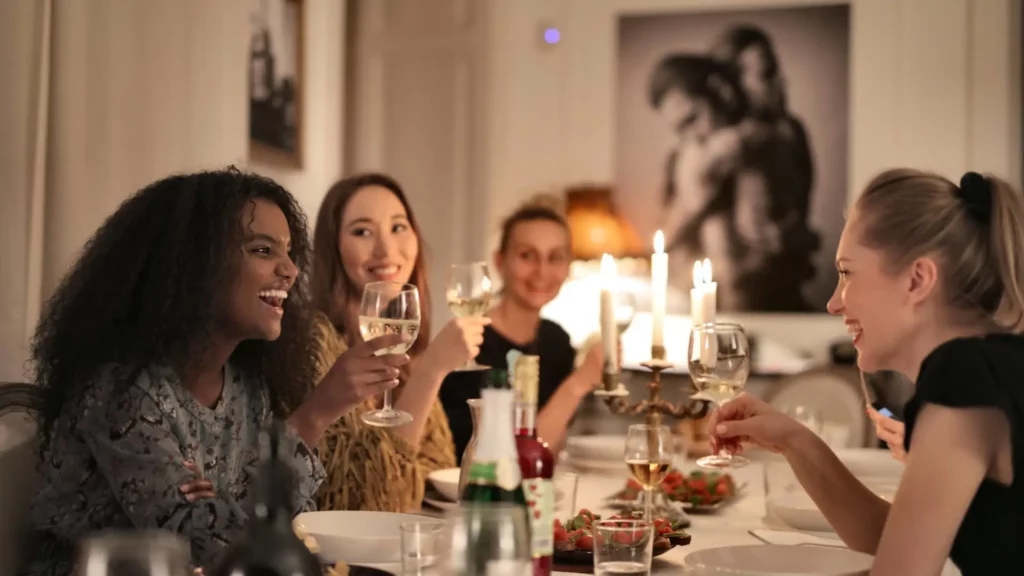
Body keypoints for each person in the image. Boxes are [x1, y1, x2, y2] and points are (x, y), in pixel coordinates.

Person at [20, 169, 409, 576]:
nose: (291, 271)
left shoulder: (245, 384)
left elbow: (272, 521)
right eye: (263, 250)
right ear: (193, 264)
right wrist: (317, 413)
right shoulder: (120, 391)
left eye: (289, 252)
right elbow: (205, 545)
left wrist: (221, 502)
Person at [710, 169, 1024, 574]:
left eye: (846, 273)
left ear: (917, 280)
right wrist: (795, 441)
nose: (833, 303)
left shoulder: (963, 376)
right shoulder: (993, 366)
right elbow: (898, 540)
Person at [306, 173, 487, 512]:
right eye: (362, 231)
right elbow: (373, 500)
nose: (386, 249)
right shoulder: (314, 343)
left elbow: (436, 468)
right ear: (333, 248)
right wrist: (432, 370)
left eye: (398, 227)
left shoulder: (403, 343)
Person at [440, 197, 605, 457]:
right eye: (527, 255)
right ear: (499, 262)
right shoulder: (469, 346)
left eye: (555, 257)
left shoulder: (557, 341)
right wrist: (578, 384)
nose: (541, 271)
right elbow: (505, 460)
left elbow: (552, 444)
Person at [649, 54, 814, 311]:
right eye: (679, 128)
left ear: (719, 91)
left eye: (693, 118)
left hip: (768, 306)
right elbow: (662, 238)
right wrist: (694, 192)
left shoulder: (769, 141)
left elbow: (782, 234)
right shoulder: (683, 156)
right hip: (698, 309)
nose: (692, 135)